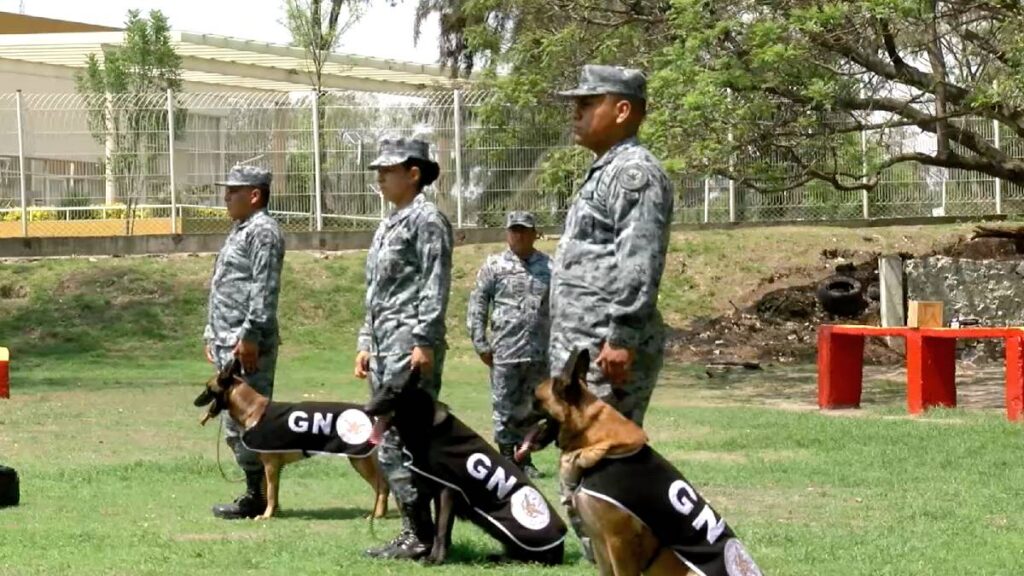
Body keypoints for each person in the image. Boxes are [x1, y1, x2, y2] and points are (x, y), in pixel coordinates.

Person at [548, 64, 674, 563]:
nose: (575, 112)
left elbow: (639, 262)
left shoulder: (634, 173)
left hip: (606, 352)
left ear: (622, 110)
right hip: (584, 350)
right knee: (586, 481)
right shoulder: (605, 171)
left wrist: (621, 335)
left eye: (587, 102)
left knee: (603, 480)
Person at [354, 137, 453, 561]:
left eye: (387, 170)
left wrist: (424, 340)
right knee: (389, 440)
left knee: (404, 440)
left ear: (414, 173)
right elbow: (377, 291)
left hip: (409, 349)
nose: (379, 177)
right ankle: (413, 529)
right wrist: (364, 340)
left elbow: (435, 283)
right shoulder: (391, 222)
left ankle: (422, 534)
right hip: (384, 348)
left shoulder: (427, 220)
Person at [204, 164, 285, 520]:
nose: (226, 196)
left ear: (255, 195)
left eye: (234, 191)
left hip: (247, 346)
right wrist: (212, 332)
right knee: (234, 422)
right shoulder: (240, 229)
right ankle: (254, 491)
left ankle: (260, 497)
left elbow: (263, 289)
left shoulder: (263, 231)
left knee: (251, 420)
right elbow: (226, 283)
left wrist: (250, 336)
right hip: (227, 343)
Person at [467, 210, 551, 478]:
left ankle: (524, 458)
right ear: (507, 233)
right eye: (514, 230)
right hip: (504, 350)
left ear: (534, 233)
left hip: (539, 352)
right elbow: (478, 303)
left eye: (524, 230)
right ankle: (506, 458)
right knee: (503, 405)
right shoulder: (494, 266)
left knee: (532, 408)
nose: (519, 235)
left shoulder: (550, 267)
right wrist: (480, 342)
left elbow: (563, 306)